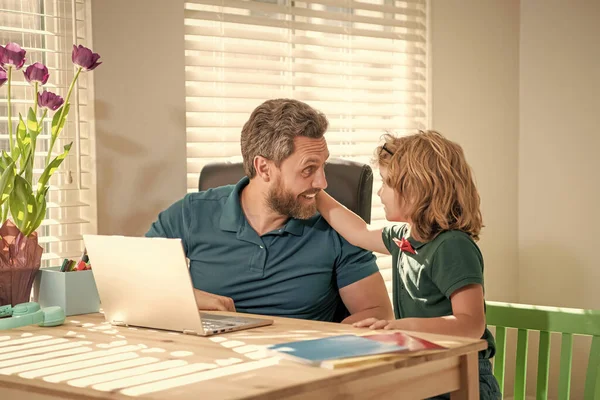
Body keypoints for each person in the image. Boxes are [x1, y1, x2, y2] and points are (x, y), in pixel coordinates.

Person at [146, 98, 393, 324]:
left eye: (322, 166)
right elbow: (127, 283)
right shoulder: (191, 214)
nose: (322, 182)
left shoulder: (337, 227)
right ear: (263, 168)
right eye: (308, 169)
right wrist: (188, 297)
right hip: (212, 361)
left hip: (300, 364)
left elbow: (377, 314)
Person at [316, 130, 501, 399]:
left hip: (463, 374)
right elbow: (357, 233)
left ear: (417, 188)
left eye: (386, 183)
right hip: (427, 368)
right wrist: (316, 192)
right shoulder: (405, 238)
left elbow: (471, 324)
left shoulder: (452, 246)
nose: (379, 192)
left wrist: (404, 327)